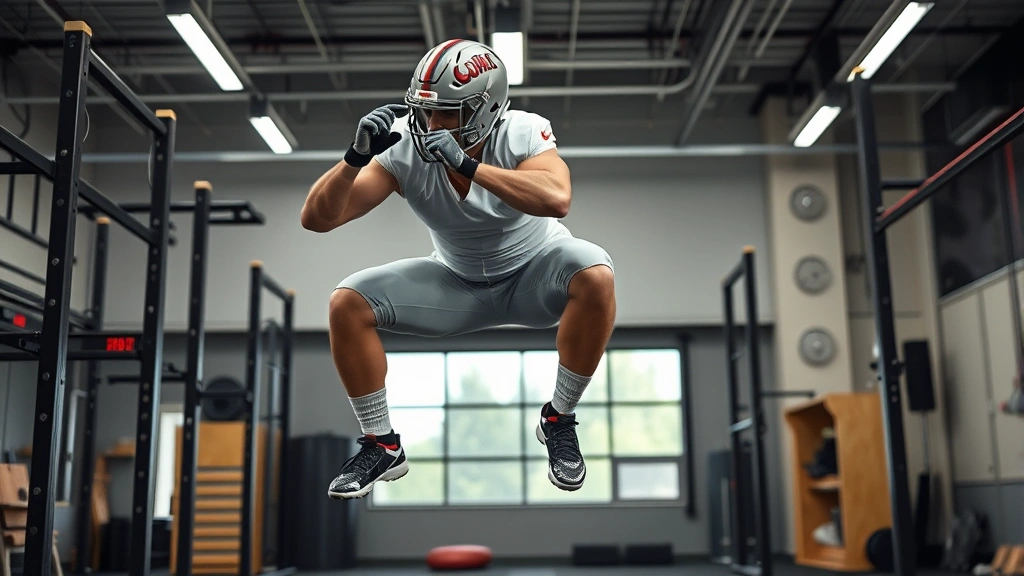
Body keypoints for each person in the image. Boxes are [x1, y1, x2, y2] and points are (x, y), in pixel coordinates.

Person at [301, 39, 616, 500]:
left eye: (447, 112)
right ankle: (382, 444)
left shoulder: (521, 131)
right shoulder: (406, 147)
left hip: (536, 277)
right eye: (425, 112)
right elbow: (318, 220)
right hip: (455, 286)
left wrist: (468, 164)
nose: (432, 125)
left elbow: (557, 199)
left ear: (485, 109)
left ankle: (559, 419)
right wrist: (353, 159)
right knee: (347, 302)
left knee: (595, 272)